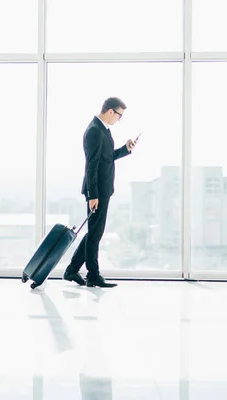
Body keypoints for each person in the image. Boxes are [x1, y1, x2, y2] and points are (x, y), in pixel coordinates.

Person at [63, 97, 138, 288]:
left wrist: (125, 149)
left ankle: (72, 270)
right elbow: (92, 165)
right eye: (119, 115)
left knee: (94, 232)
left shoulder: (103, 130)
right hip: (97, 191)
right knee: (95, 233)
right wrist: (92, 195)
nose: (119, 120)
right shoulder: (94, 131)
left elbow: (107, 158)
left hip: (104, 189)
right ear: (111, 111)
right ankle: (93, 275)